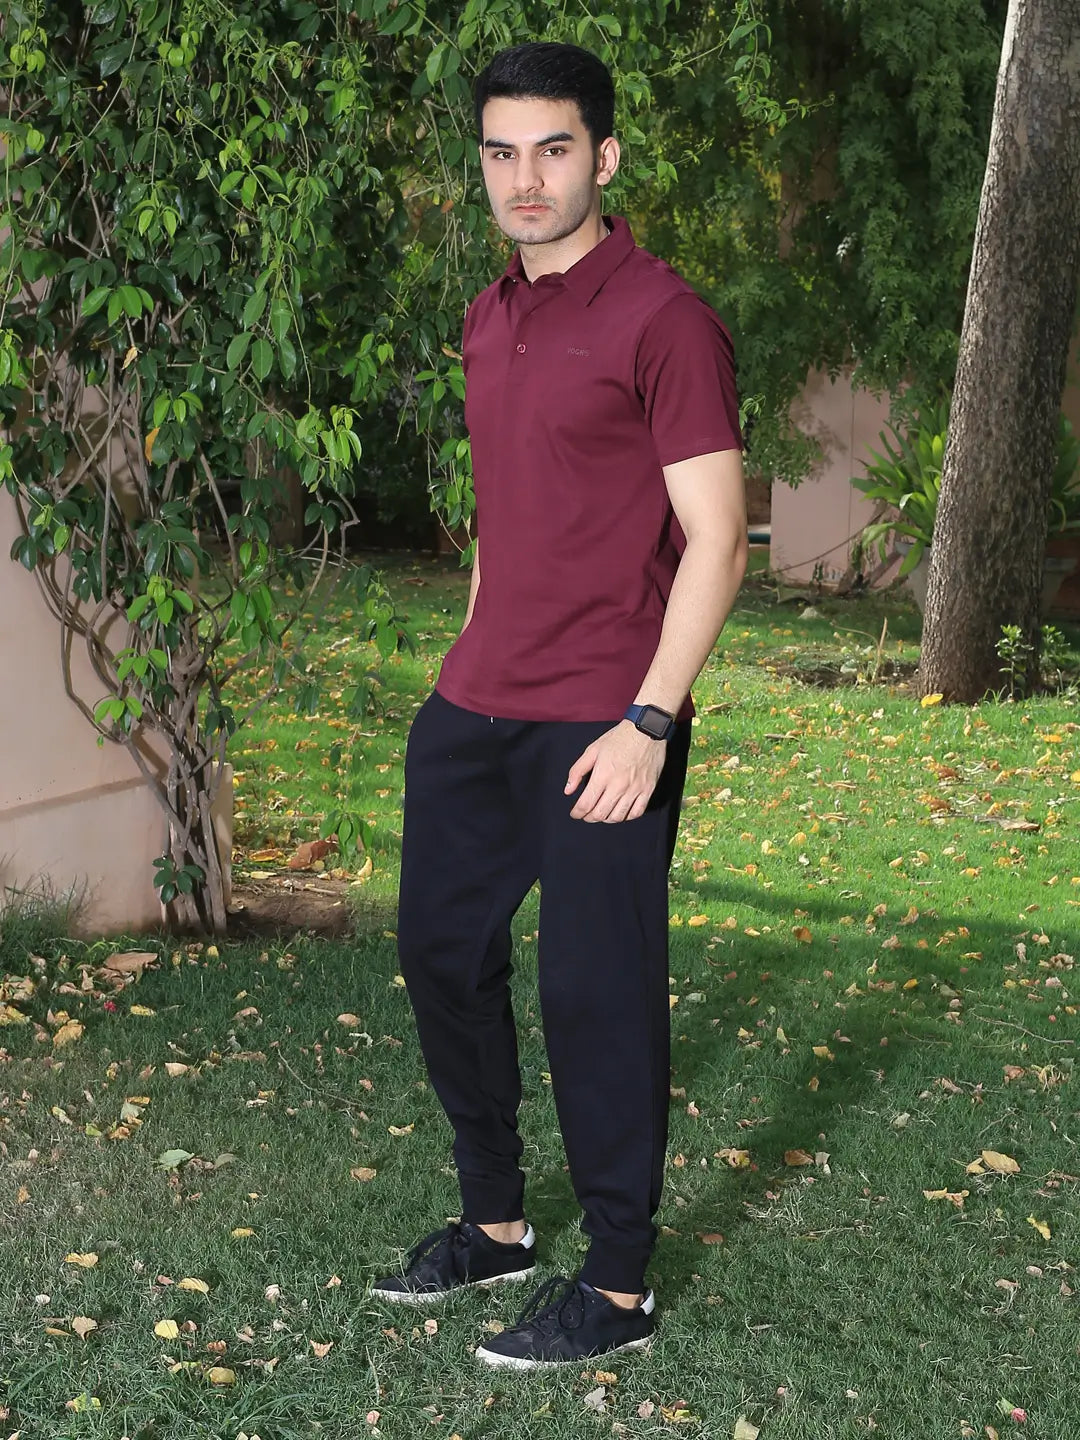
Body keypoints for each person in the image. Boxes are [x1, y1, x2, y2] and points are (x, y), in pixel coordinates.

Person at [372, 40, 747, 1369]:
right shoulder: (488, 315)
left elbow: (717, 538)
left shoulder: (664, 318)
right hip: (479, 706)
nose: (525, 180)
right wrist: (462, 654)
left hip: (607, 716)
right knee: (442, 960)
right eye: (501, 152)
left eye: (552, 149)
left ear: (605, 156)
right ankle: (496, 1226)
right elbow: (506, 512)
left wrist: (652, 723)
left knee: (597, 996)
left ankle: (622, 1290)